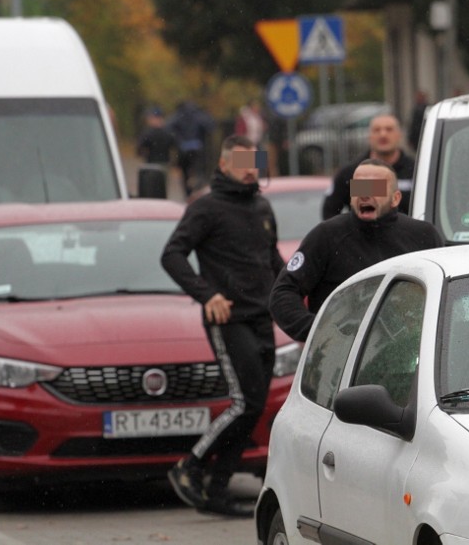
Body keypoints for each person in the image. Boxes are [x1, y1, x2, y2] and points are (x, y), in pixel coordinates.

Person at [161, 134, 284, 517]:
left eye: (256, 162)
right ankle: (190, 466)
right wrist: (207, 295)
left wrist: (294, 294)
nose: (251, 169)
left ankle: (216, 492)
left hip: (262, 316)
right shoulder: (206, 208)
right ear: (224, 165)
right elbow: (172, 255)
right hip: (227, 318)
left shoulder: (263, 206)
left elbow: (272, 259)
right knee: (244, 402)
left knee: (254, 407)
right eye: (243, 162)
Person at [271, 159, 443, 342]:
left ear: (396, 198)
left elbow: (442, 297)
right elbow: (283, 293)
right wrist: (318, 332)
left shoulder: (423, 235)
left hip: (404, 354)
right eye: (360, 187)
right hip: (340, 361)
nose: (365, 195)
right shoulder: (327, 236)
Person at [321, 114, 414, 219]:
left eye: (389, 129)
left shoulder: (417, 171)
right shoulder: (352, 173)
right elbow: (330, 211)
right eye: (377, 130)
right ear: (369, 136)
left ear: (399, 135)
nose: (383, 134)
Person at [167, 101, 215, 196]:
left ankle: (187, 193)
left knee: (185, 172)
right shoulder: (199, 115)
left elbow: (169, 127)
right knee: (199, 172)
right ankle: (198, 190)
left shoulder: (178, 115)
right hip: (198, 149)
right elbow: (210, 126)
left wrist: (178, 140)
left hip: (183, 150)